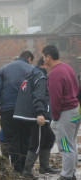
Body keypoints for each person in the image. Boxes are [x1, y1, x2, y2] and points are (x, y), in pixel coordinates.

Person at [0, 51, 34, 173]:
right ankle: (24, 166)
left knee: (12, 139)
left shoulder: (3, 70)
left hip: (8, 110)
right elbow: (40, 92)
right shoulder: (34, 70)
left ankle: (17, 167)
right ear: (29, 59)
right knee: (26, 138)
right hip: (27, 111)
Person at [13, 57, 58, 179]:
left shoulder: (32, 75)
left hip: (27, 114)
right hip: (36, 116)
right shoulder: (40, 76)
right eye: (49, 65)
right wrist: (40, 113)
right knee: (36, 143)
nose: (51, 68)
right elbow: (38, 95)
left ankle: (44, 166)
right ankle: (27, 172)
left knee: (49, 137)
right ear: (44, 64)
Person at [42, 45, 80, 180]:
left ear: (48, 57)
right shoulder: (68, 68)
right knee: (72, 144)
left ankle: (66, 175)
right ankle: (72, 173)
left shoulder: (54, 74)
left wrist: (55, 118)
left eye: (43, 57)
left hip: (65, 114)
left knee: (65, 145)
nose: (43, 60)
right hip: (75, 112)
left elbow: (55, 99)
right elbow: (76, 88)